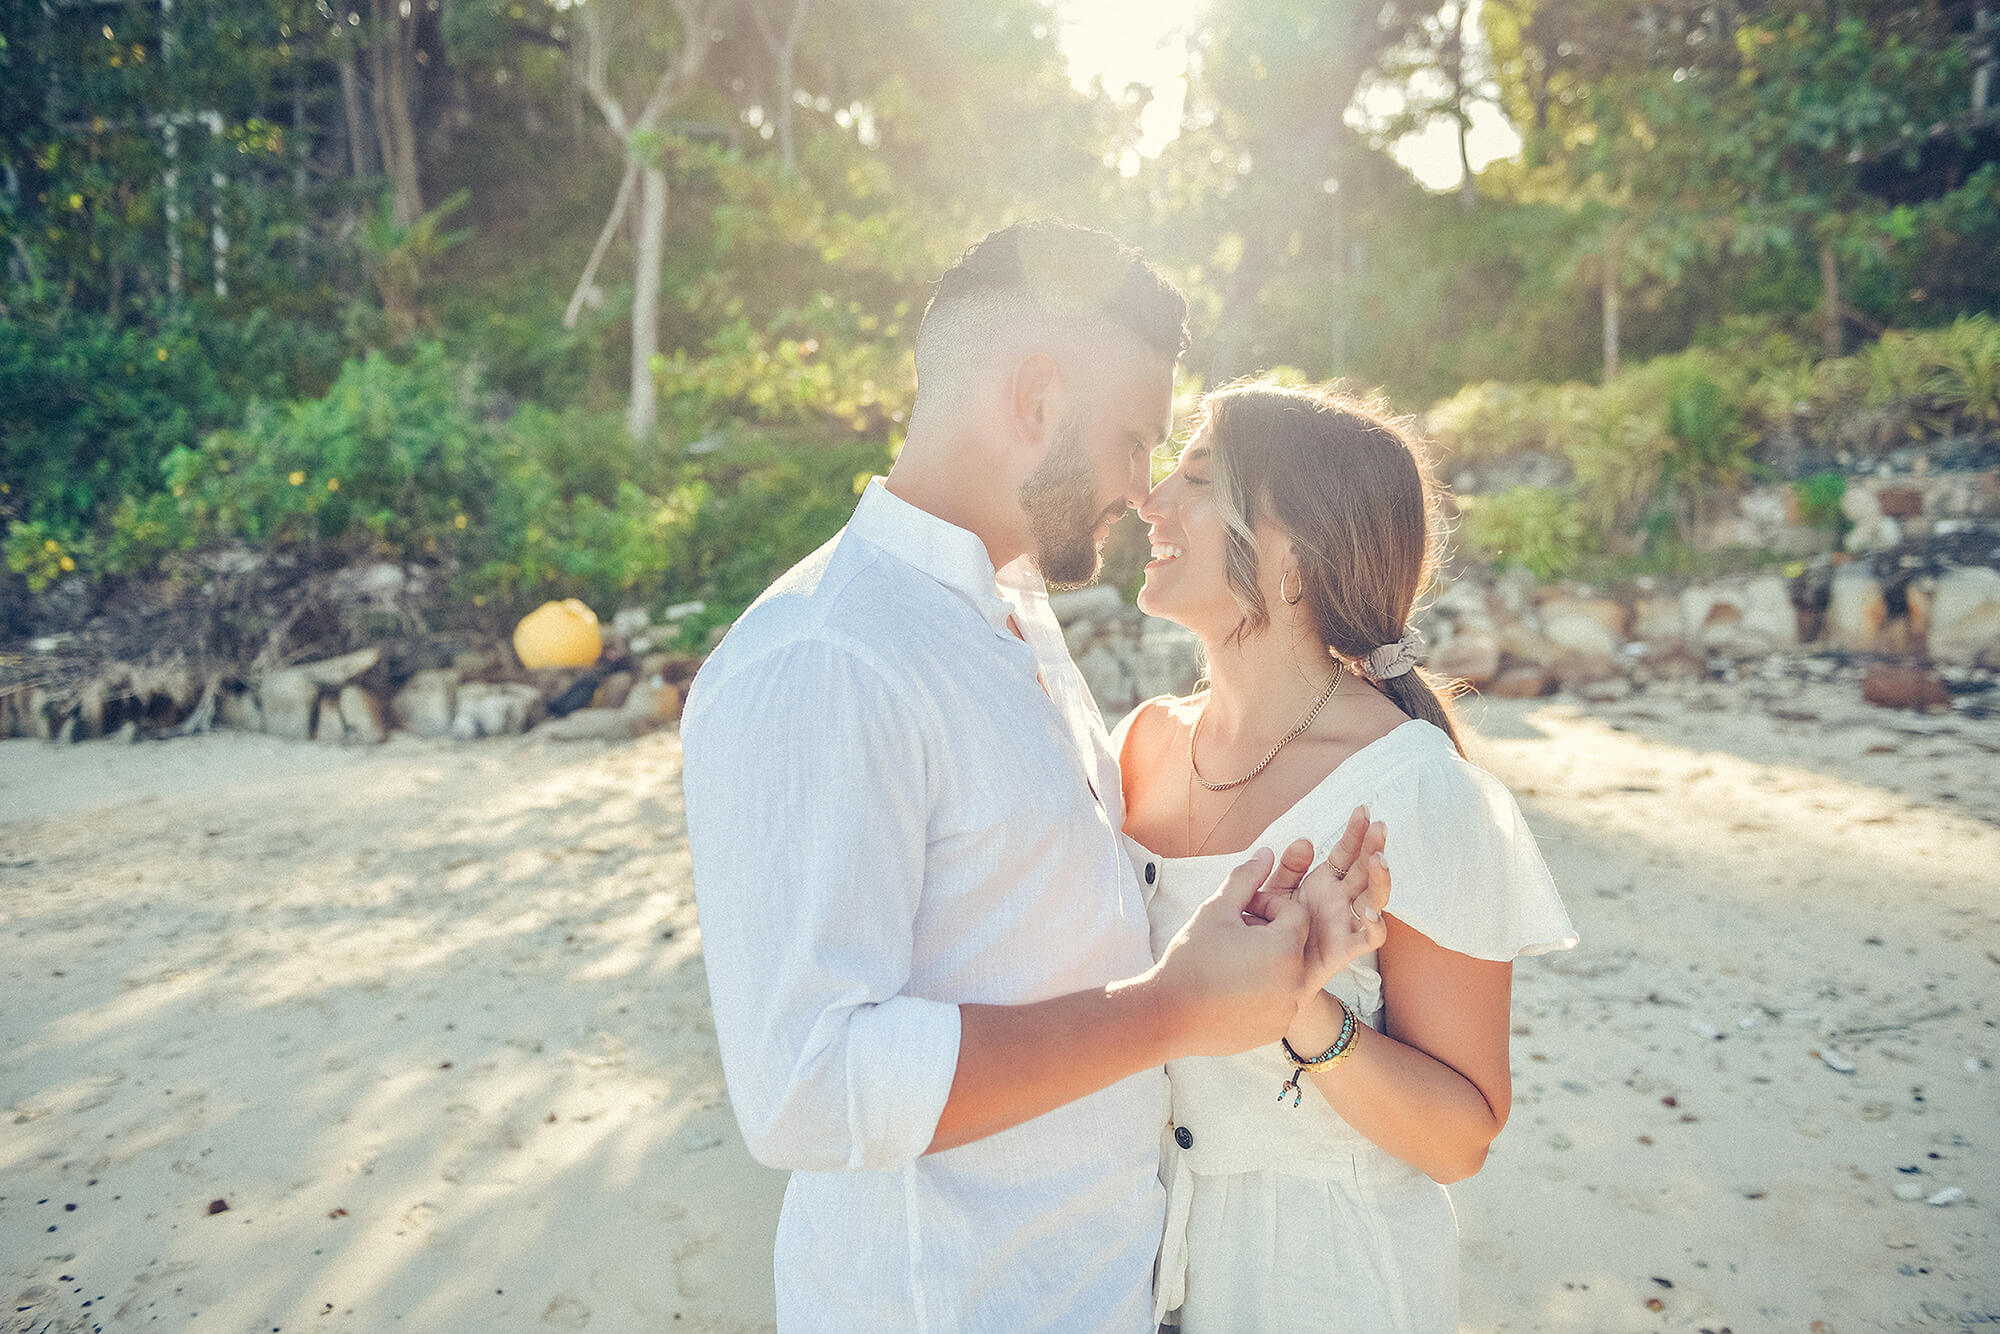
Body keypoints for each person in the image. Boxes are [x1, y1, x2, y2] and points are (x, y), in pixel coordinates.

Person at [680, 223, 1389, 1333]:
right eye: (1131, 440)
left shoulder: (1005, 614)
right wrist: (1173, 1007)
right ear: (1036, 401)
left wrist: (1223, 946)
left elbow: (1023, 926)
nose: (1141, 488)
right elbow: (807, 1088)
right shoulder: (826, 654)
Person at [1116, 379, 1578, 1332]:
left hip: (1325, 1280)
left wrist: (1297, 1008)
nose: (1151, 502)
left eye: (1197, 477)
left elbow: (1457, 1139)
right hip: (1139, 1261)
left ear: (1292, 555)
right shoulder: (1143, 745)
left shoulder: (1414, 791)